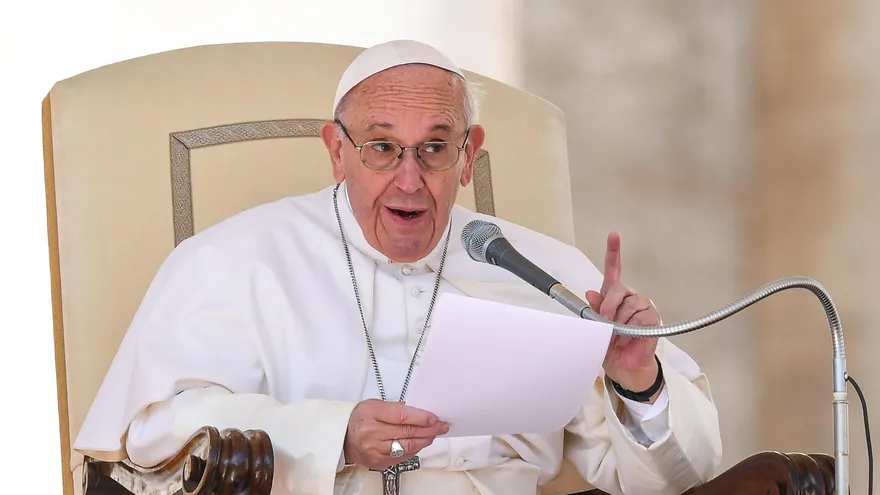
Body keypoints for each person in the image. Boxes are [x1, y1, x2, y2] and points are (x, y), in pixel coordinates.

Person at [73, 39, 722, 495]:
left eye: (435, 148)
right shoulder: (231, 259)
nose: (410, 179)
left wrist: (641, 384)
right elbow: (159, 432)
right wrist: (332, 435)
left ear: (469, 156)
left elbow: (671, 480)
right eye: (382, 148)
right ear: (337, 151)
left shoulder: (544, 269)